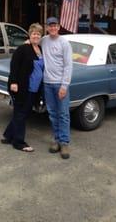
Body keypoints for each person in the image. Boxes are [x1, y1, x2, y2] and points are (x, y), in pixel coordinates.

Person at [1, 23, 44, 152]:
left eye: (38, 34)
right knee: (21, 114)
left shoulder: (40, 49)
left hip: (34, 88)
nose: (36, 36)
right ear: (29, 35)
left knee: (21, 113)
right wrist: (14, 82)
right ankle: (19, 142)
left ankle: (8, 136)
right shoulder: (23, 48)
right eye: (34, 33)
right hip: (23, 87)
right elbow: (14, 65)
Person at [42, 16, 73, 159]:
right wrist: (27, 41)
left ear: (59, 27)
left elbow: (68, 66)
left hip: (60, 84)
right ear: (47, 27)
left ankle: (64, 142)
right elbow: (33, 42)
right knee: (53, 114)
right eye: (50, 26)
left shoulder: (64, 43)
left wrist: (64, 85)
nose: (53, 28)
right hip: (47, 83)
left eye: (55, 25)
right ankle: (56, 139)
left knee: (63, 114)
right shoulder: (44, 40)